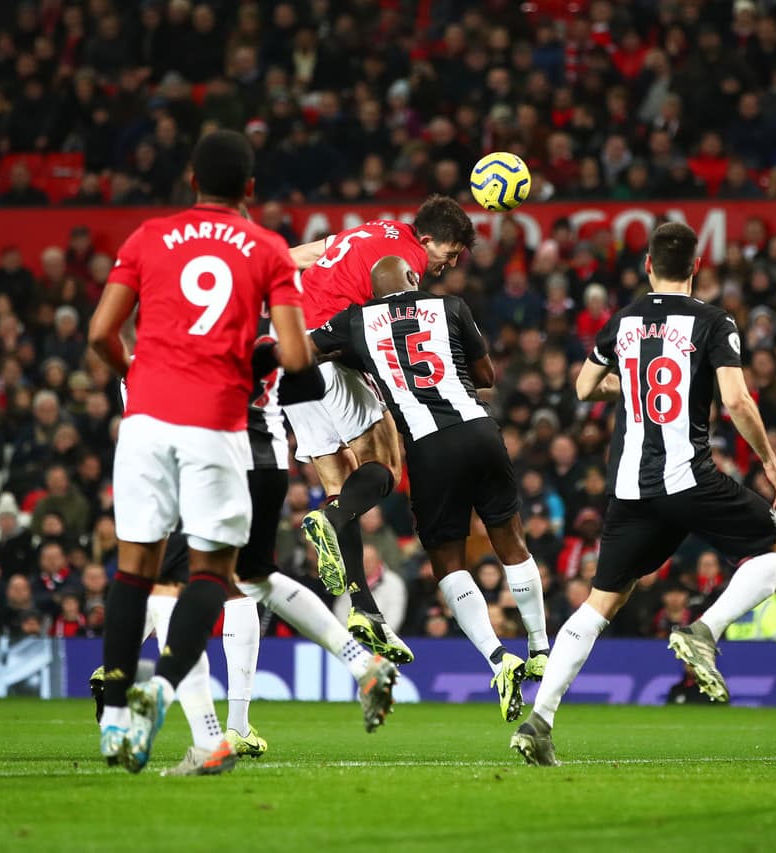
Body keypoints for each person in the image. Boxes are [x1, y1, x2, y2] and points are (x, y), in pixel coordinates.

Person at [87, 129, 395, 776]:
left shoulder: (147, 239)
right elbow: (293, 354)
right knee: (236, 578)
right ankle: (352, 663)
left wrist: (134, 373)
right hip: (233, 430)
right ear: (251, 188)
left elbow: (98, 333)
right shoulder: (266, 249)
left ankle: (144, 715)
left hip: (150, 422)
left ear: (190, 180)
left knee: (147, 577)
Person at [509, 222, 776, 766]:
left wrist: (633, 384)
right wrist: (769, 461)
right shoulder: (714, 321)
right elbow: (737, 401)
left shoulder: (622, 321)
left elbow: (582, 387)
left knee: (602, 601)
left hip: (630, 487)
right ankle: (705, 631)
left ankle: (539, 721)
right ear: (696, 268)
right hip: (689, 477)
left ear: (648, 265)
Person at [309, 255, 550, 722]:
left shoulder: (356, 320)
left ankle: (498, 659)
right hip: (479, 431)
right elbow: (486, 378)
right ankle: (540, 646)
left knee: (447, 562)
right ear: (414, 279)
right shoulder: (451, 306)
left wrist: (352, 355)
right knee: (511, 541)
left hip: (427, 447)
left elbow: (305, 351)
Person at [284, 196, 475, 665]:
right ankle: (329, 524)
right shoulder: (405, 257)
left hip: (289, 352)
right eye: (448, 254)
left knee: (340, 489)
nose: (447, 265)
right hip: (326, 354)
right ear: (427, 238)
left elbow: (298, 256)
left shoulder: (370, 229)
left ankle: (364, 610)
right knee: (386, 462)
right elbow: (389, 327)